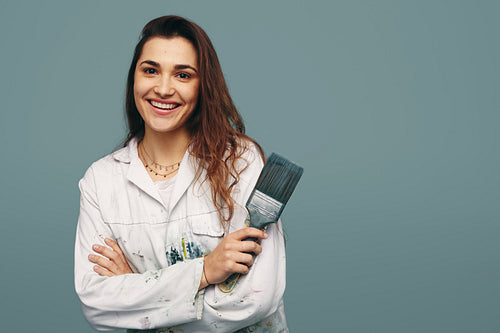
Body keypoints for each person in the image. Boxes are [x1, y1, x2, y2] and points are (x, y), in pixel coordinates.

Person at [74, 15, 288, 332]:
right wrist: (204, 271)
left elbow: (255, 300)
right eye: (150, 70)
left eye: (183, 75)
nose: (163, 89)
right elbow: (97, 304)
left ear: (203, 86)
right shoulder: (101, 181)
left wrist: (134, 289)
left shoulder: (240, 161)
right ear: (134, 78)